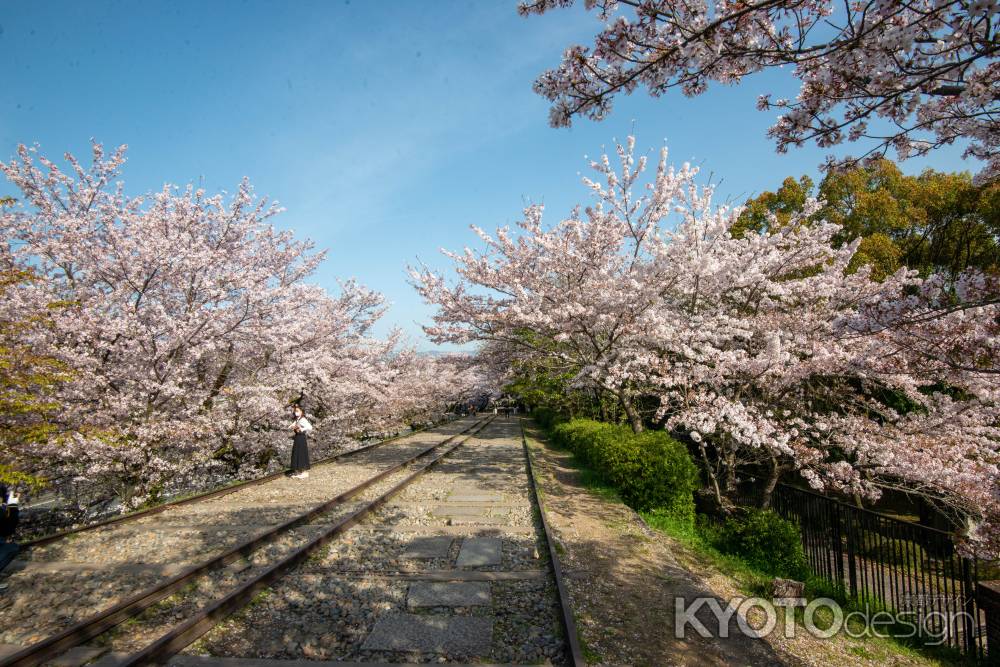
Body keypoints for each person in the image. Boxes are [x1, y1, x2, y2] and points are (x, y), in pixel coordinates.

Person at [290, 405, 313, 479]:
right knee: (297, 453)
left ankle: (304, 472)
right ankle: (299, 471)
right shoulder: (297, 419)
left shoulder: (303, 419)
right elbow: (291, 425)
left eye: (297, 411)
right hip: (297, 437)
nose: (295, 412)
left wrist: (302, 429)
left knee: (301, 453)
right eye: (295, 411)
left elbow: (310, 427)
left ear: (301, 412)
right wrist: (293, 427)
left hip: (301, 438)